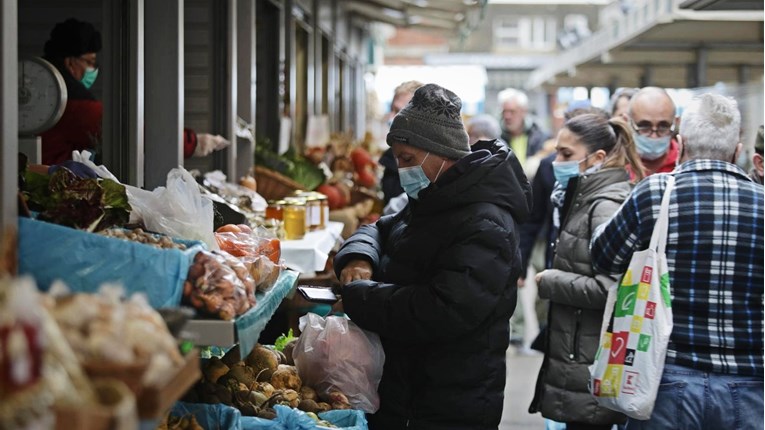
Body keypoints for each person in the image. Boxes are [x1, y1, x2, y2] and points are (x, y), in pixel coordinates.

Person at [332, 83, 532, 429]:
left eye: (408, 159)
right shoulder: (433, 198)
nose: (401, 169)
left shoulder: (486, 223)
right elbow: (380, 228)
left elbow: (442, 309)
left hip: (448, 404)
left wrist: (358, 298)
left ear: (441, 153)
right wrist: (358, 258)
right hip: (410, 390)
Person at [591, 93, 764, 429]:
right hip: (751, 382)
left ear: (681, 143)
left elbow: (603, 257)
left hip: (665, 378)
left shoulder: (654, 193)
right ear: (738, 149)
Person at [527, 113, 644, 429]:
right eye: (557, 152)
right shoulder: (579, 199)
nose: (557, 161)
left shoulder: (605, 204)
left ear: (598, 158)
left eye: (567, 154)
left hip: (594, 364)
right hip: (581, 359)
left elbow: (615, 290)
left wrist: (553, 280)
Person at [40, 18, 228, 166]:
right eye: (89, 62)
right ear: (70, 63)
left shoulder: (46, 96)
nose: (93, 69)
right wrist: (193, 142)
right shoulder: (75, 106)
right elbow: (134, 133)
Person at [379, 80, 424, 205]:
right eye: (392, 110)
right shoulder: (390, 157)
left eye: (399, 111)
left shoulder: (429, 159)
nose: (392, 117)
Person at [627, 87, 679, 176]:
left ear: (676, 122)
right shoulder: (616, 164)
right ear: (629, 122)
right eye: (645, 126)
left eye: (663, 126)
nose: (654, 136)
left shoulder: (684, 163)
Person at [498, 87, 549, 166]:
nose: (507, 116)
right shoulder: (497, 139)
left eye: (512, 111)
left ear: (523, 111)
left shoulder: (541, 137)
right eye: (504, 111)